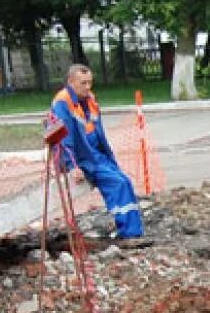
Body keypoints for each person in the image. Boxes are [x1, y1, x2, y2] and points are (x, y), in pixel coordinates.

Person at [51, 64, 145, 241]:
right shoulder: (63, 103)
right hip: (84, 159)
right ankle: (130, 233)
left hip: (96, 156)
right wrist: (71, 166)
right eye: (83, 83)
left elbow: (97, 132)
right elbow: (63, 139)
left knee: (125, 181)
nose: (87, 87)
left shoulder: (89, 99)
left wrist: (108, 158)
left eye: (90, 83)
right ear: (71, 82)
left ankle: (133, 230)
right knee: (118, 183)